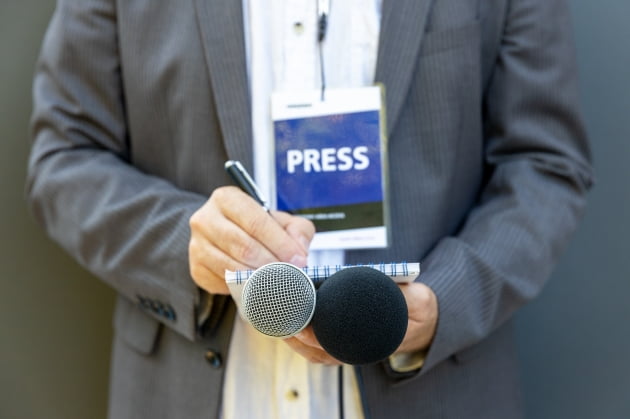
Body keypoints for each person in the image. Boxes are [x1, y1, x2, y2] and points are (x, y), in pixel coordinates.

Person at [26, 0, 593, 418]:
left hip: (435, 394)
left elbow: (544, 164)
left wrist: (444, 301)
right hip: (191, 392)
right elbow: (64, 157)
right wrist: (186, 242)